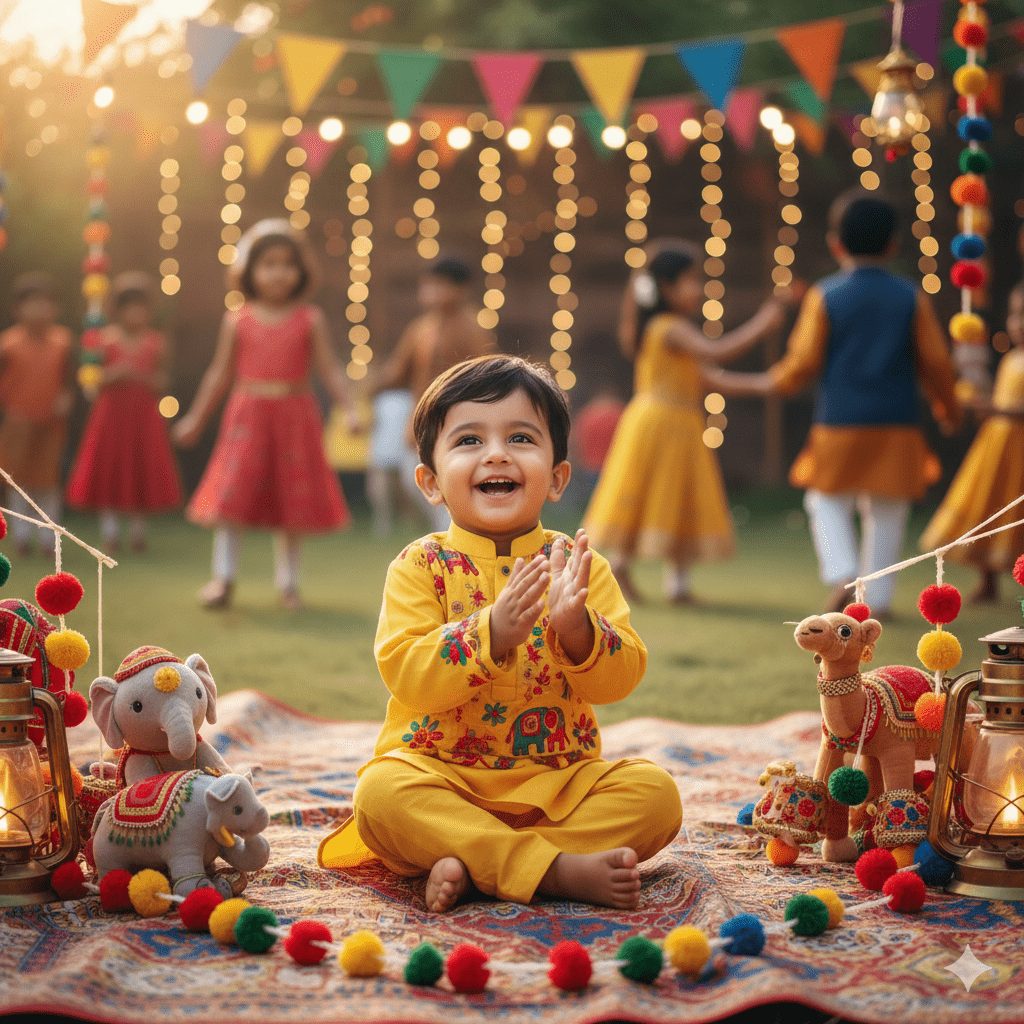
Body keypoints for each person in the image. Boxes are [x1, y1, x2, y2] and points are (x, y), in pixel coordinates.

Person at [318, 355, 681, 912]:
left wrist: (576, 629)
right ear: (431, 483)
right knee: (380, 795)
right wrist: (490, 632)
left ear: (558, 476)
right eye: (468, 439)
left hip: (558, 787)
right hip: (440, 778)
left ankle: (481, 863)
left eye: (520, 437)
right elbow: (408, 674)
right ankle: (553, 870)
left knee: (656, 797)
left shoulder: (579, 566)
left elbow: (621, 677)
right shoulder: (419, 566)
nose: (496, 453)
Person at [704, 190, 961, 616]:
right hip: (898, 423)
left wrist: (767, 382)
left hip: (838, 422)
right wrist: (948, 411)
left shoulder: (825, 295)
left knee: (825, 500)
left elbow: (800, 365)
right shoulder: (910, 296)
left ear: (835, 244)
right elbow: (936, 363)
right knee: (888, 510)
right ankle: (875, 598)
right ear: (894, 244)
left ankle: (843, 573)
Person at [583, 240, 787, 603]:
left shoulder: (670, 328)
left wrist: (764, 383)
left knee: (678, 498)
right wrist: (763, 325)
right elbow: (717, 352)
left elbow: (709, 378)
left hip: (676, 423)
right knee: (649, 494)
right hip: (661, 423)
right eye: (689, 279)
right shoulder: (668, 327)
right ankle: (622, 564)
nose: (697, 288)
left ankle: (674, 583)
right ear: (665, 286)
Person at [173, 219, 359, 610]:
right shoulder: (238, 319)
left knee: (294, 501)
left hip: (295, 417)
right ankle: (223, 580)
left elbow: (329, 369)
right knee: (231, 499)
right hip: (247, 417)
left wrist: (351, 409)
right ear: (250, 271)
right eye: (268, 263)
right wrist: (195, 418)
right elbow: (218, 374)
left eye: (287, 264)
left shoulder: (310, 319)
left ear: (301, 270)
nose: (278, 273)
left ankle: (289, 585)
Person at [372, 257, 497, 532]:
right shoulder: (420, 329)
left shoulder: (473, 330)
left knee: (447, 483)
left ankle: (455, 542)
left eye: (439, 285)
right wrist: (370, 387)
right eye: (428, 285)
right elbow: (398, 371)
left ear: (461, 290)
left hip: (457, 420)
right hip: (420, 421)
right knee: (413, 477)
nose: (430, 291)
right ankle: (447, 538)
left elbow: (484, 377)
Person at [919, 281, 1024, 602]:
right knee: (987, 508)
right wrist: (983, 403)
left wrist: (996, 408)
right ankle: (988, 579)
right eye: (1015, 314)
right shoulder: (1010, 359)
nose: (1019, 323)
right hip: (996, 448)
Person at [65, 272, 181, 551]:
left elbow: (163, 380)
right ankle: (111, 533)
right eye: (130, 307)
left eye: (141, 307)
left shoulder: (157, 342)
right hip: (111, 418)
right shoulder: (102, 340)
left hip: (143, 417)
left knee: (141, 471)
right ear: (118, 310)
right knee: (109, 471)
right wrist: (115, 374)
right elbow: (90, 379)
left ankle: (138, 534)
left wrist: (145, 379)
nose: (135, 313)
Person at [0, 272, 73, 555]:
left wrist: (65, 400)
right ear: (18, 309)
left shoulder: (63, 343)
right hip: (16, 423)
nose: (39, 310)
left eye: (44, 304)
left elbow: (68, 381)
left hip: (51, 424)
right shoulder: (7, 344)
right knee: (17, 484)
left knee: (48, 483)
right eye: (32, 304)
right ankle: (20, 537)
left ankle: (48, 539)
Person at [572, 387, 625, 497]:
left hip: (589, 466)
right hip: (613, 465)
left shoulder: (587, 413)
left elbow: (576, 439)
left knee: (589, 503)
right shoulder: (620, 413)